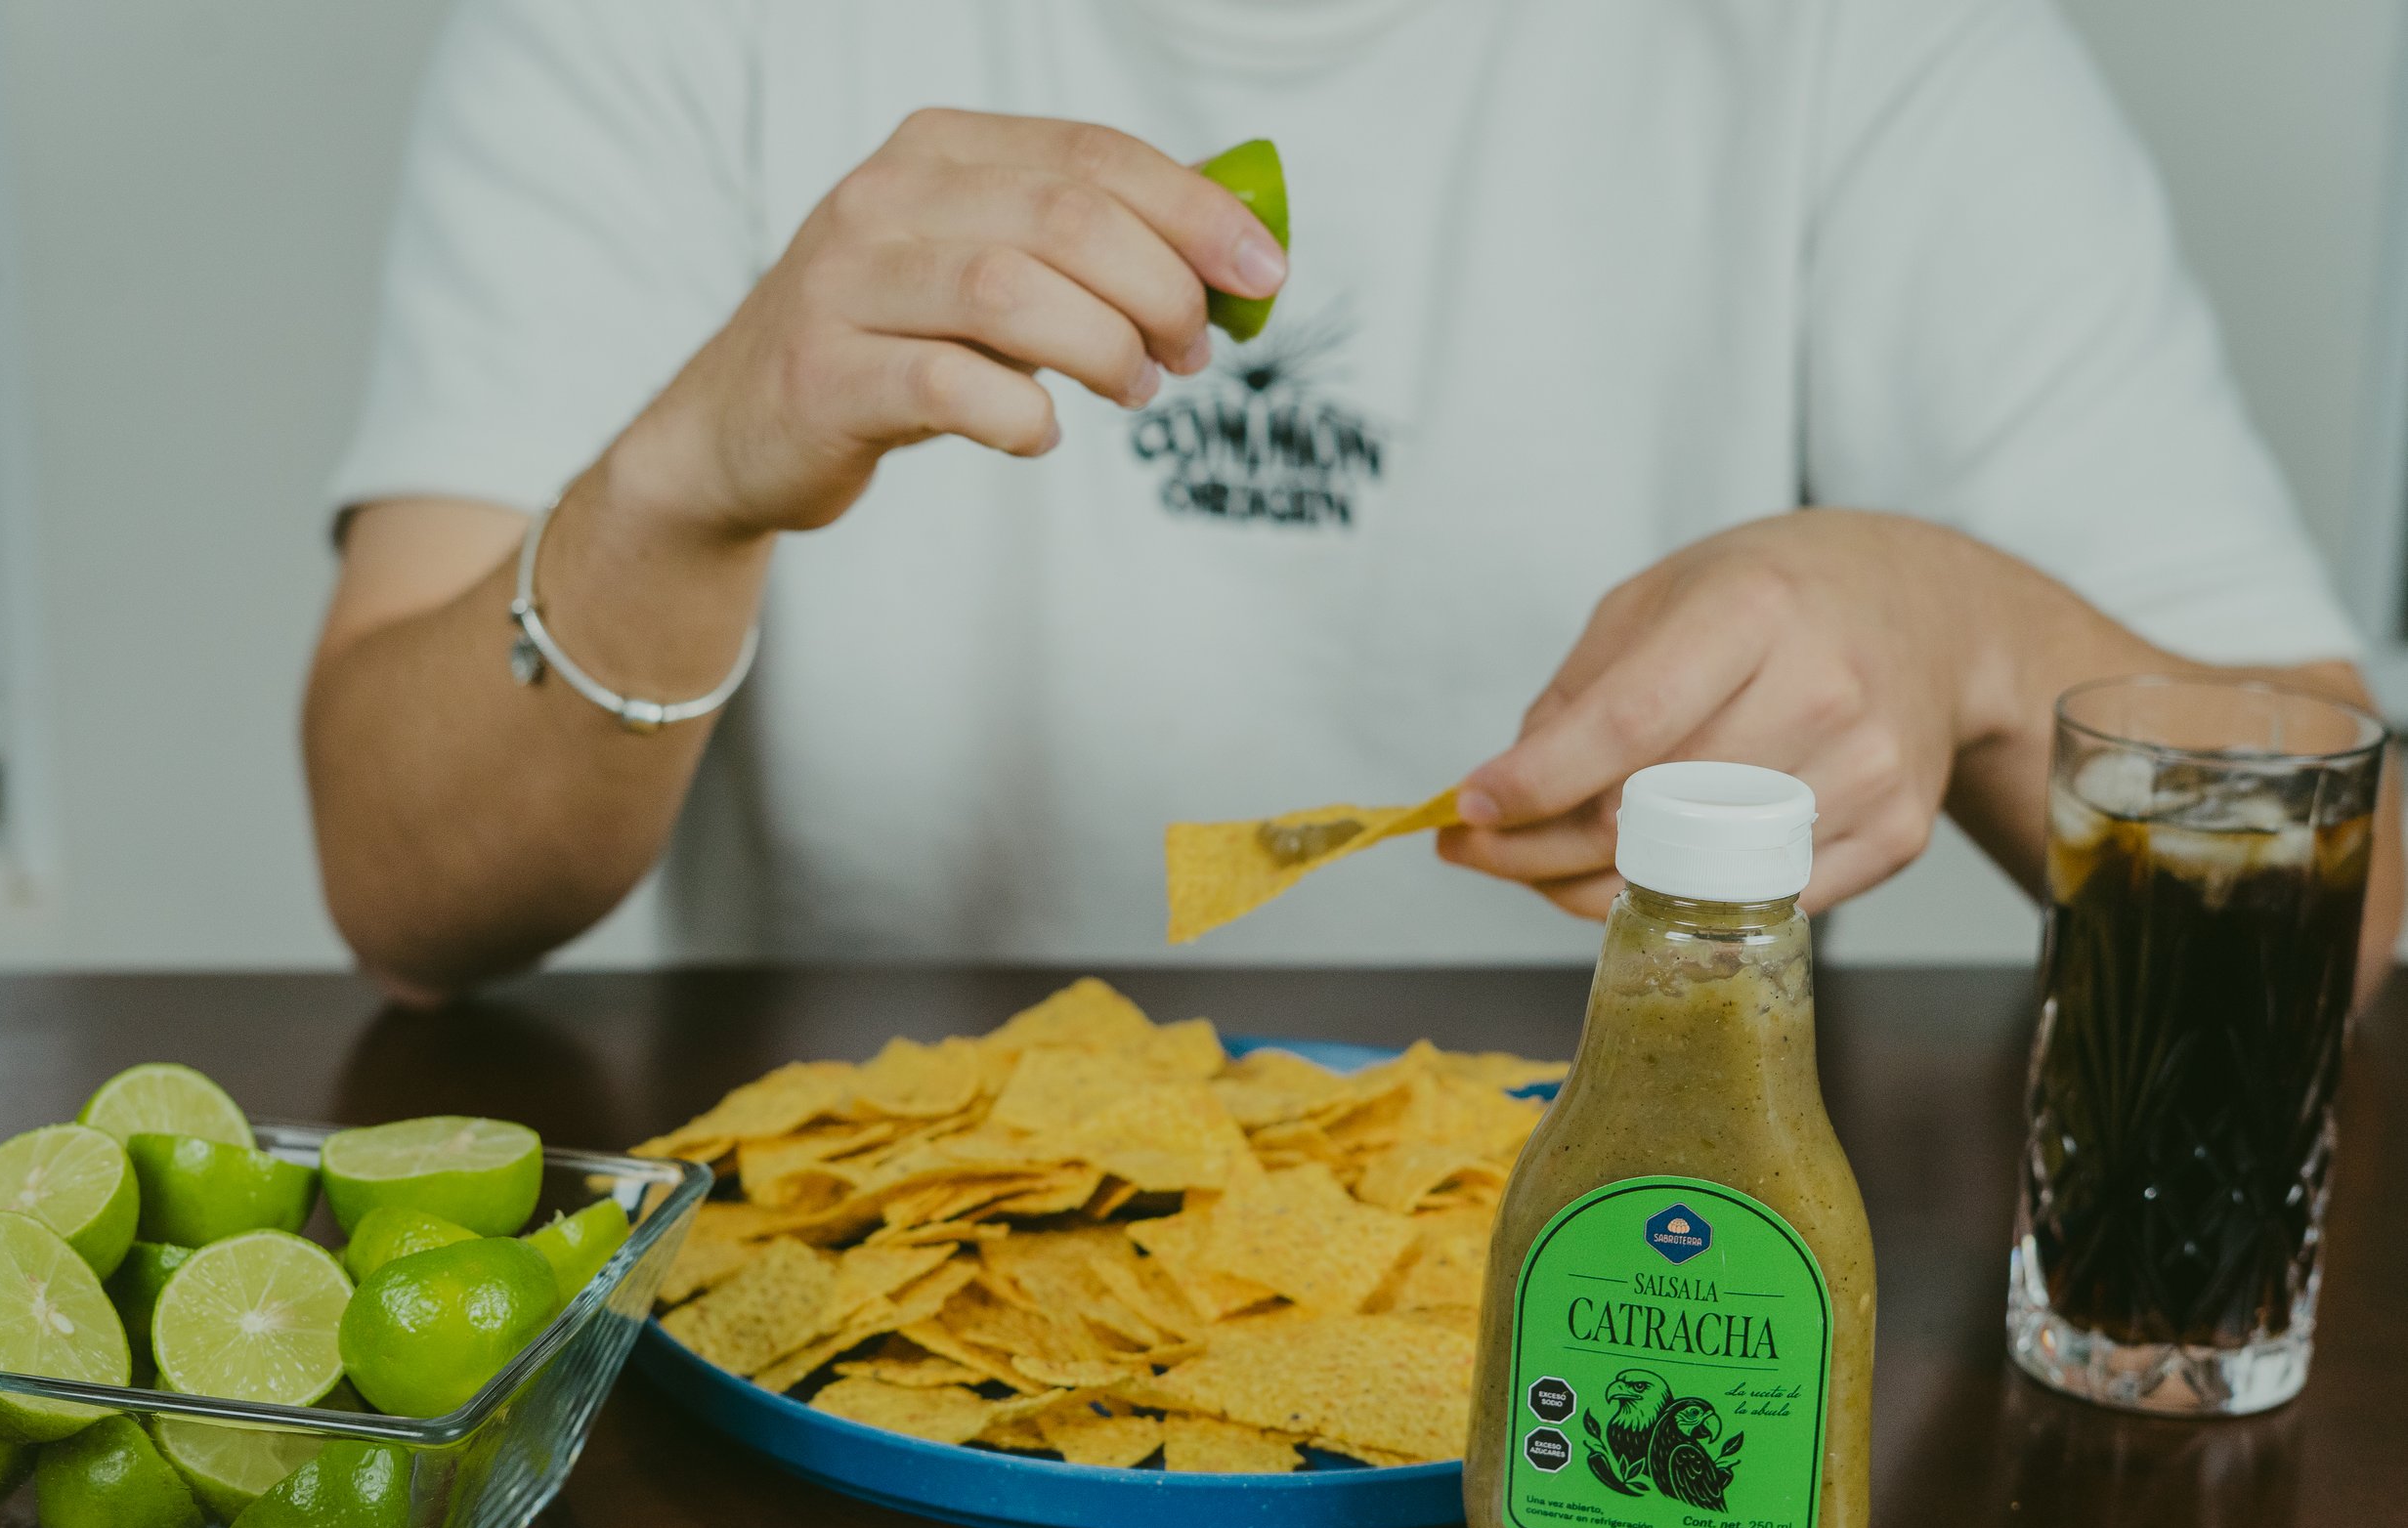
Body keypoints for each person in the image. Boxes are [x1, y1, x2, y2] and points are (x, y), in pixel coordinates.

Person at [307, 0, 2401, 1001]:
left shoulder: (1872, 43)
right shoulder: (655, 33)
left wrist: (1970, 639)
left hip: (1636, 1337)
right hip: (852, 1336)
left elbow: (2361, 892)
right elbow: (402, 884)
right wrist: (678, 487)